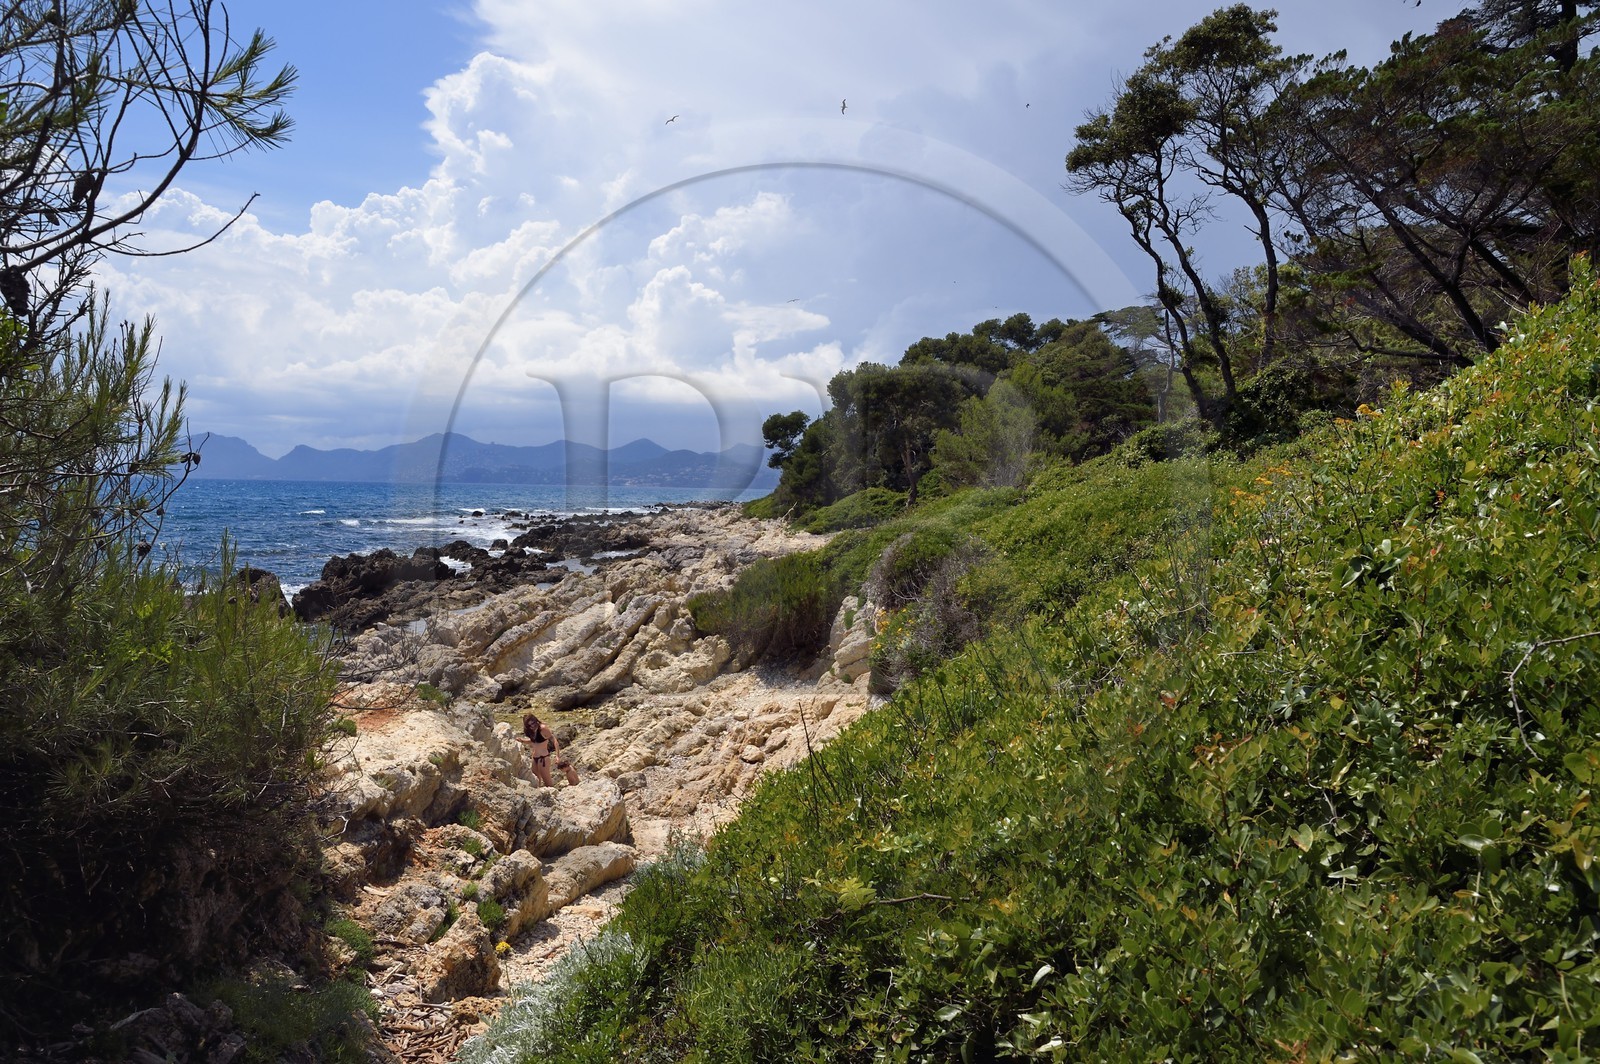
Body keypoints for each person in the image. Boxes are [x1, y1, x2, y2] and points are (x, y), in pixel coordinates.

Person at [515, 713, 579, 786]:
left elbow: (554, 741)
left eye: (533, 723)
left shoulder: (543, 728)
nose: (532, 726)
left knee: (547, 783)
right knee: (536, 782)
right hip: (534, 758)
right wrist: (522, 740)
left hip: (543, 759)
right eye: (529, 725)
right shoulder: (531, 730)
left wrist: (557, 756)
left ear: (535, 720)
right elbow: (533, 741)